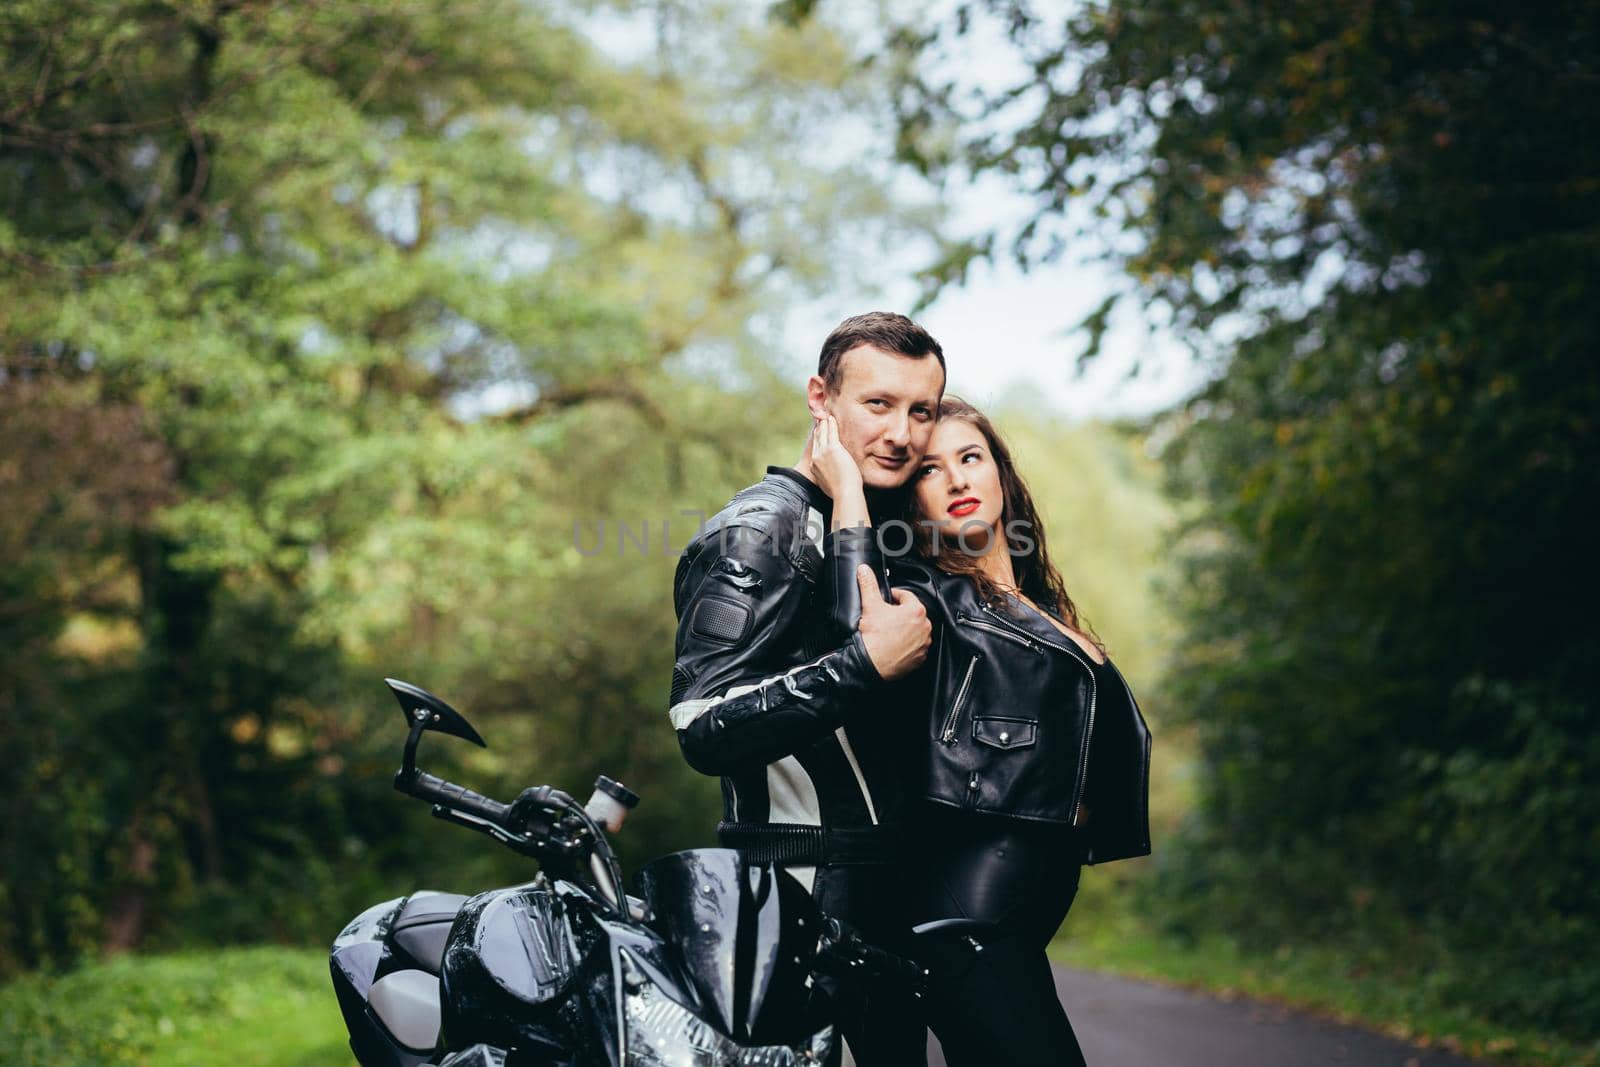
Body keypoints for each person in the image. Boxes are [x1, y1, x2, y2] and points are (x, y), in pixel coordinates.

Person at [811, 395, 1153, 1067]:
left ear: (1001, 471)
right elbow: (858, 624)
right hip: (965, 919)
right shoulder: (927, 594)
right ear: (912, 504)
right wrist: (849, 491)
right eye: (931, 470)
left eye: (971, 457)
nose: (959, 479)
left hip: (1015, 919)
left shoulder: (1038, 606)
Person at [668, 311, 946, 1066]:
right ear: (821, 399)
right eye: (878, 404)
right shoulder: (759, 530)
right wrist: (860, 665)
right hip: (793, 898)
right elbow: (701, 723)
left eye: (921, 410)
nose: (902, 432)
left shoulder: (874, 528)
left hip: (880, 903)